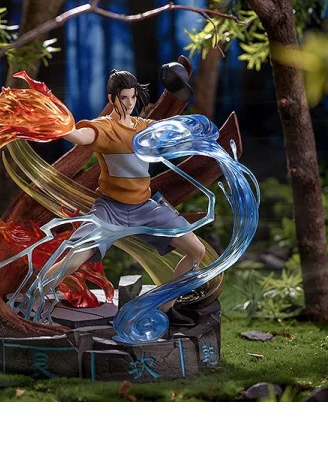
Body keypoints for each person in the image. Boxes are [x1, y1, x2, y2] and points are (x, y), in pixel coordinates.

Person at [40, 69, 205, 317]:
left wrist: (184, 103)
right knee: (72, 260)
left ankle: (165, 308)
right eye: (123, 98)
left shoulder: (145, 127)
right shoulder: (104, 128)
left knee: (196, 251)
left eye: (133, 97)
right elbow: (80, 137)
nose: (129, 103)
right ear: (112, 98)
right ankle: (32, 297)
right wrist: (53, 119)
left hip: (145, 208)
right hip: (110, 209)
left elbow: (177, 132)